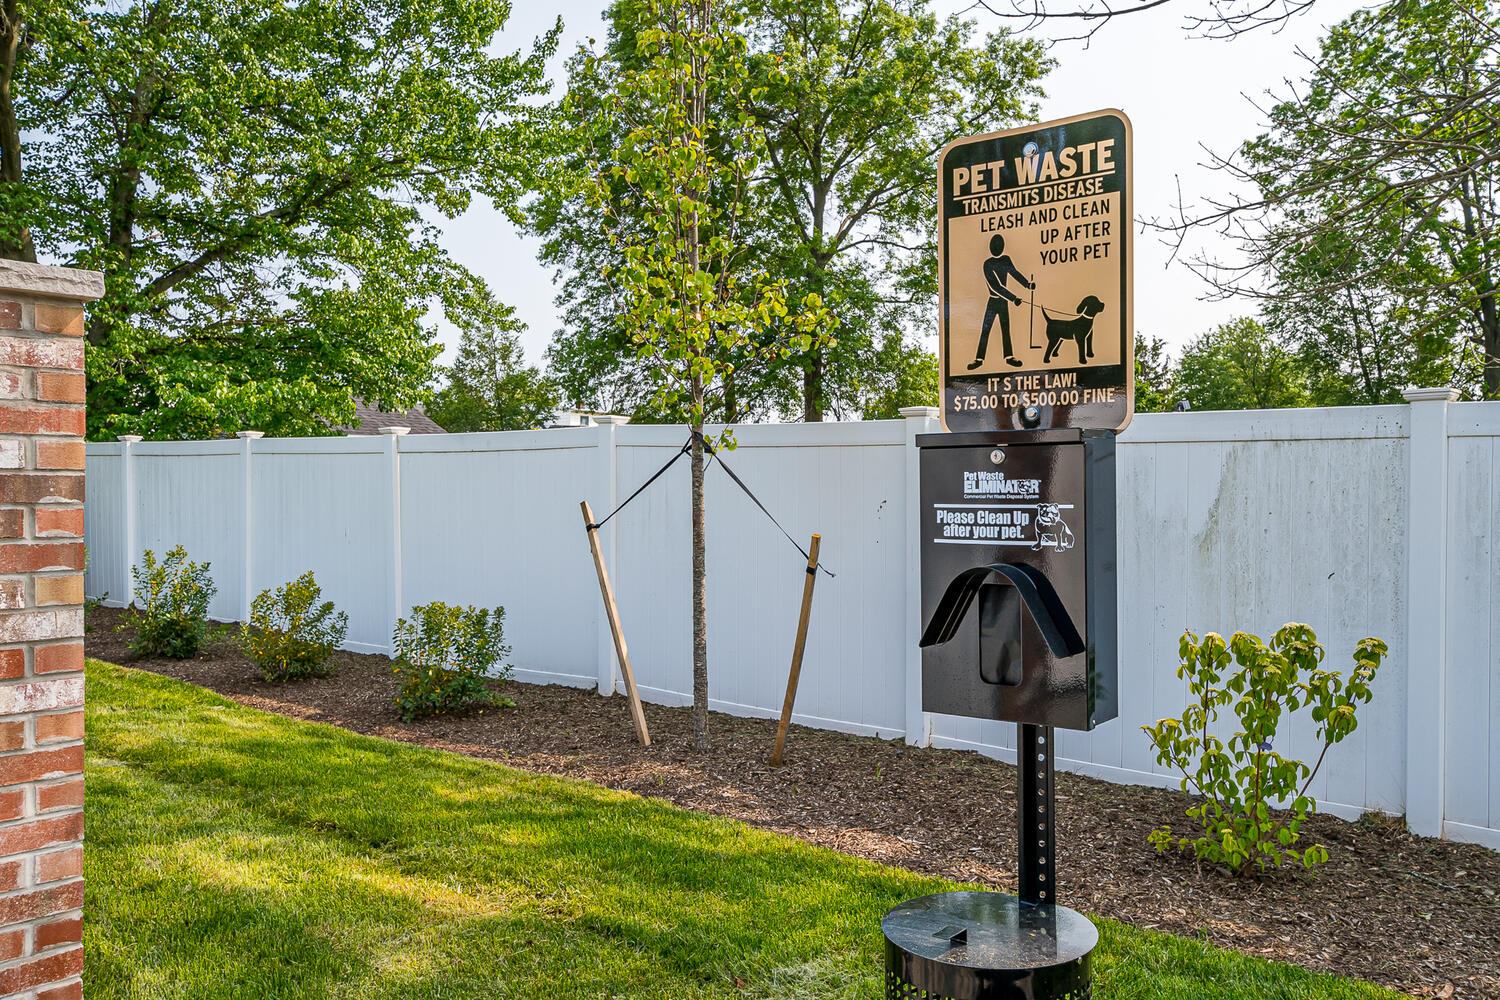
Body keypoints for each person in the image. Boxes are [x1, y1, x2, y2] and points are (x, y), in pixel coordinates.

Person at [969, 234, 1034, 371]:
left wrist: (1027, 284)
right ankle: (979, 359)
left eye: (999, 245)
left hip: (1003, 302)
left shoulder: (1006, 260)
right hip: (993, 301)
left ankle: (1009, 357)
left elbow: (1014, 273)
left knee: (1005, 329)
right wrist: (1013, 298)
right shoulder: (987, 264)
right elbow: (995, 286)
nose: (997, 248)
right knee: (986, 329)